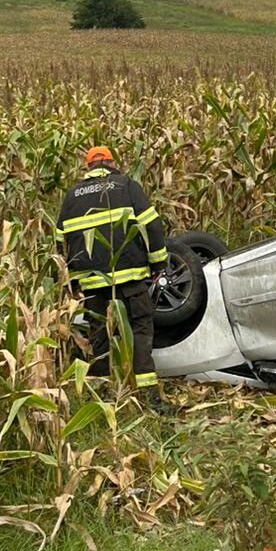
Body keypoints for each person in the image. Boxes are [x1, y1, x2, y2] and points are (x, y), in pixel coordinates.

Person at [56, 146, 167, 392]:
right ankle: (147, 391)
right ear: (112, 163)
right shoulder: (126, 186)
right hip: (131, 277)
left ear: (88, 167)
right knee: (139, 328)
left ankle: (102, 391)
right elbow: (152, 226)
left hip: (91, 282)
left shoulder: (72, 196)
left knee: (99, 333)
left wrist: (70, 282)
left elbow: (60, 241)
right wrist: (158, 264)